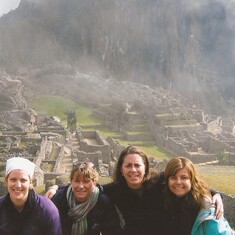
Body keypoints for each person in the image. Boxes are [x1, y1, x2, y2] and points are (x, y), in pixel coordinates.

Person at [45, 146, 224, 235]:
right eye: (128, 165)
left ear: (145, 167)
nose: (133, 170)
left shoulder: (159, 182)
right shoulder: (114, 190)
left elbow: (186, 180)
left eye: (137, 165)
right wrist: (57, 187)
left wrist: (215, 194)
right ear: (121, 169)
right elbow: (87, 185)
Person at [162, 156, 232, 235]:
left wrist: (216, 194)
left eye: (184, 178)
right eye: (173, 177)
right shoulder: (163, 199)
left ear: (192, 180)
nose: (178, 182)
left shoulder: (207, 209)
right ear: (167, 180)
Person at [50, 161, 123, 235]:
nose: (81, 186)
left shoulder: (102, 202)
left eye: (86, 181)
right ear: (71, 182)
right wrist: (54, 187)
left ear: (94, 182)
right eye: (77, 181)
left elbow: (113, 230)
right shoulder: (60, 198)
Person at [0, 157, 62, 235]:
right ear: (6, 181)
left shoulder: (47, 210)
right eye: (13, 180)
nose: (18, 185)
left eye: (23, 180)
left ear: (30, 183)